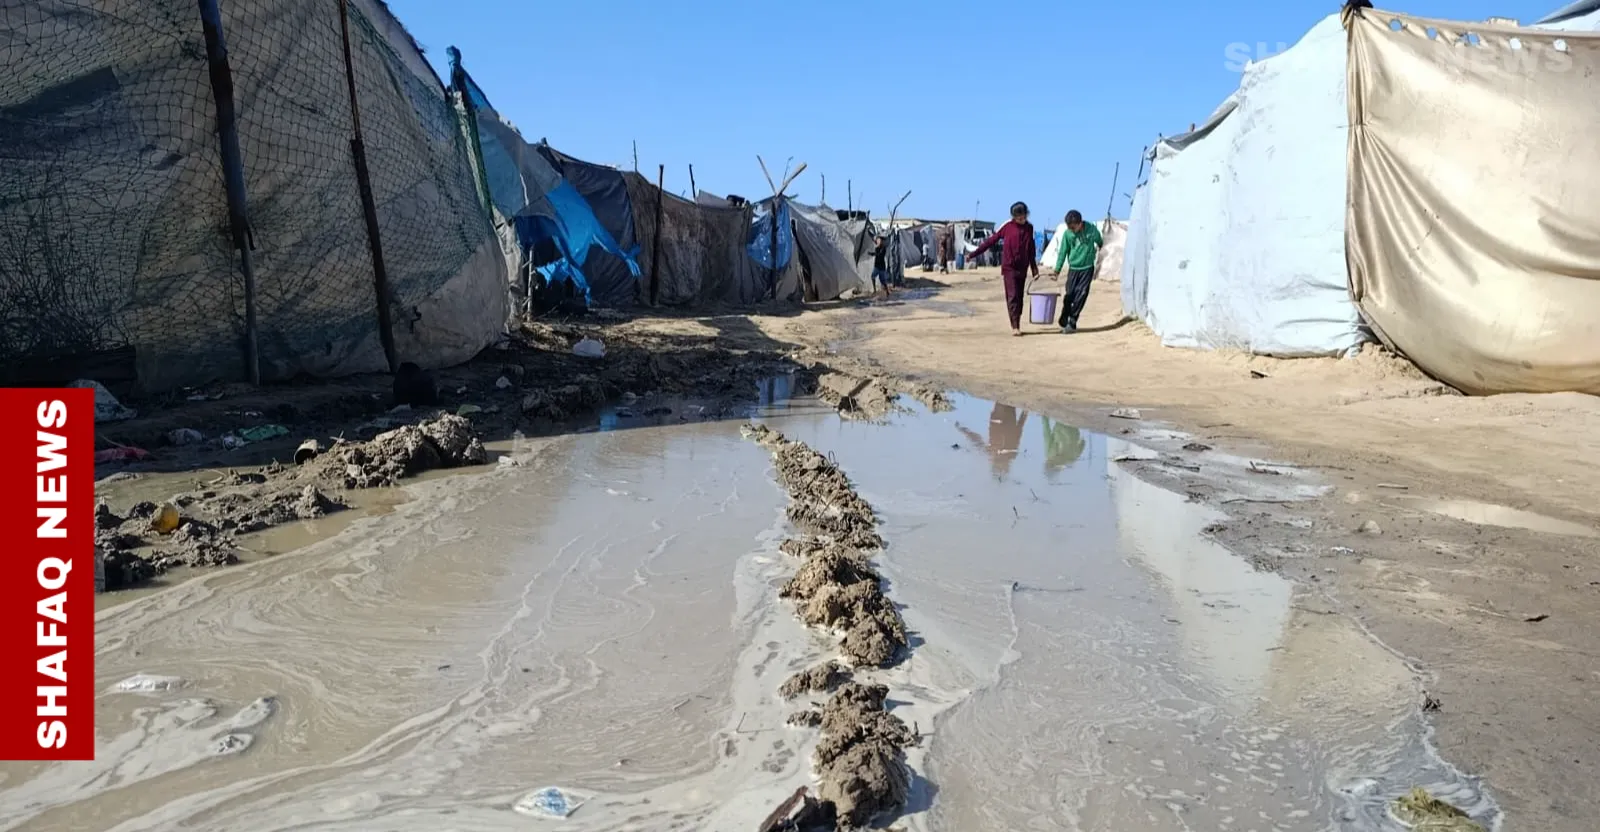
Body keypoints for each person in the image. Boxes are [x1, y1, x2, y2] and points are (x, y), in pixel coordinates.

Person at [967, 201, 1038, 336]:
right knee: (1012, 296)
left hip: (1022, 268)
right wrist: (973, 254)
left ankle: (1017, 320)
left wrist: (1034, 269)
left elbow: (1031, 250)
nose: (1021, 219)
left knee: (1019, 297)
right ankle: (1015, 326)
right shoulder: (1007, 227)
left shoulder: (1029, 228)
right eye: (1018, 217)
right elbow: (990, 241)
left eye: (1023, 217)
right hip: (1009, 267)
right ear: (1013, 217)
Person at [1050, 209, 1104, 332]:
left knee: (1082, 294)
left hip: (1087, 268)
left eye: (1073, 228)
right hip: (1073, 269)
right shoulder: (1067, 234)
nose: (1072, 230)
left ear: (1080, 223)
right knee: (1069, 294)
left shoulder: (1091, 230)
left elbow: (1100, 242)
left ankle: (1072, 321)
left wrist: (1101, 250)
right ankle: (1065, 313)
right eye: (1069, 228)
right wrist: (1057, 270)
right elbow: (1063, 252)